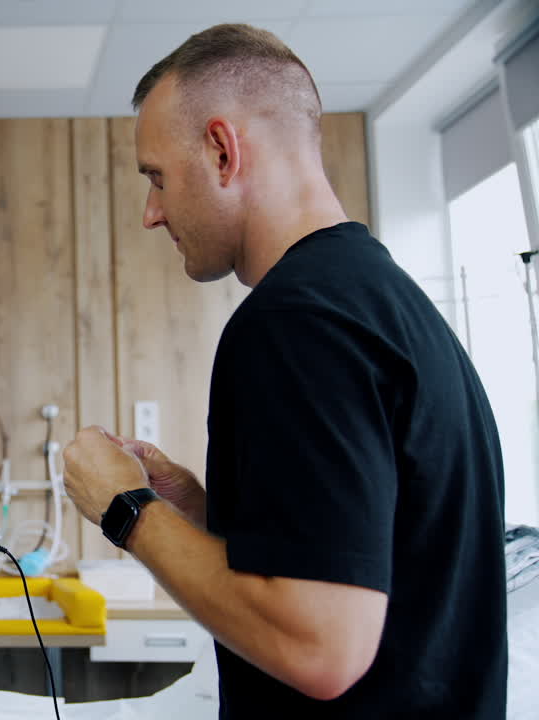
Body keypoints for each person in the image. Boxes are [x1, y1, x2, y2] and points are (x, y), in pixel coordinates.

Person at [62, 24, 506, 719]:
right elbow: (363, 555)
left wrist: (129, 512)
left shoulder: (295, 323)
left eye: (157, 178)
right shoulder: (385, 303)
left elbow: (320, 647)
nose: (152, 213)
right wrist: (204, 514)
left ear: (220, 150)